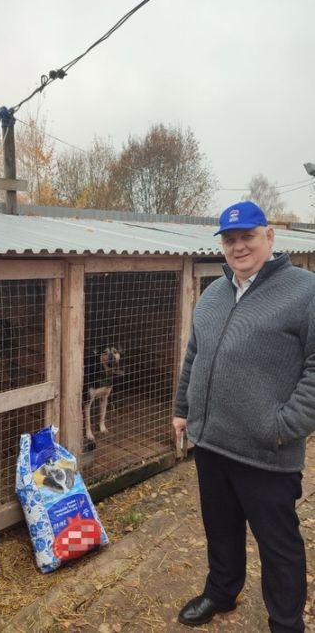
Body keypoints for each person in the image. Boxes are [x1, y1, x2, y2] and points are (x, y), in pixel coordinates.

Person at [173, 200, 315, 633]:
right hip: (212, 442)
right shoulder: (214, 293)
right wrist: (183, 410)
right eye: (230, 239)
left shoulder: (304, 290)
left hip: (265, 450)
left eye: (248, 236)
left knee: (279, 546)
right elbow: (195, 354)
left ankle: (286, 623)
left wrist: (284, 425)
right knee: (220, 528)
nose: (238, 247)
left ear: (269, 237)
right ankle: (221, 591)